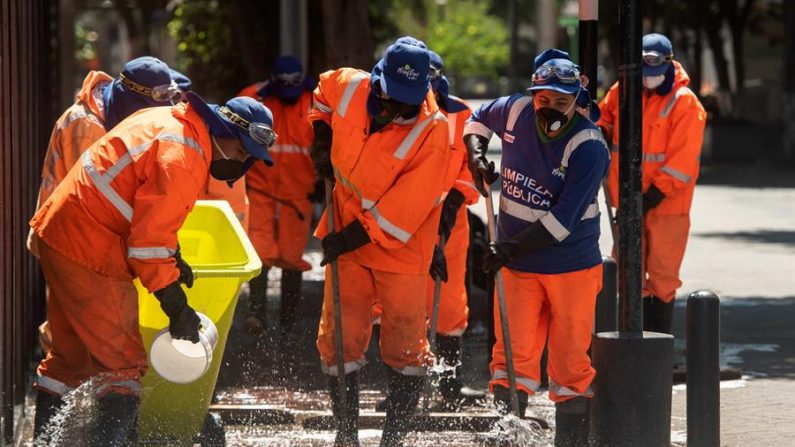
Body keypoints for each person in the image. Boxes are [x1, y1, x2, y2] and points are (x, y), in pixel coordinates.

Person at [29, 92, 276, 445]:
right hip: (90, 249)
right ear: (224, 132)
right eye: (241, 153)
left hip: (64, 235)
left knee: (68, 361)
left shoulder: (171, 122)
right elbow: (147, 247)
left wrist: (172, 257)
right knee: (124, 370)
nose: (241, 163)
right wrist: (176, 306)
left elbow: (141, 207)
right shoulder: (185, 156)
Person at [464, 49, 609, 446]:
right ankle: (507, 437)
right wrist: (476, 159)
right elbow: (475, 120)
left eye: (560, 102)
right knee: (512, 356)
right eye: (543, 100)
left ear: (577, 100)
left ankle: (571, 442)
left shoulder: (589, 146)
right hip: (518, 266)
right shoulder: (514, 111)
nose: (549, 109)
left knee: (570, 365)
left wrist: (508, 249)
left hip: (571, 267)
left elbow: (562, 222)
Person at [309, 39, 450, 446]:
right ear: (377, 78)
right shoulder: (350, 85)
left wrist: (348, 238)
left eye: (409, 102)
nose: (400, 110)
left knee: (406, 346)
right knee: (339, 337)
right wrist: (320, 134)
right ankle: (346, 434)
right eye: (393, 98)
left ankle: (393, 440)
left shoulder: (432, 129)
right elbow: (321, 94)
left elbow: (404, 210)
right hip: (346, 235)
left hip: (400, 249)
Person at [30, 57, 188, 354]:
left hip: (78, 239)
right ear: (133, 99)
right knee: (104, 340)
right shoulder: (87, 126)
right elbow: (96, 200)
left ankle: (63, 386)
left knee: (74, 337)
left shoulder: (107, 114)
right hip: (72, 239)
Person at [597, 33, 706, 334]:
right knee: (628, 274)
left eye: (655, 73)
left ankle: (660, 350)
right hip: (628, 201)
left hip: (667, 206)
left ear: (669, 65)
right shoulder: (624, 91)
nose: (649, 79)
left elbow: (682, 162)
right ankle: (635, 340)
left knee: (662, 277)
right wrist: (601, 132)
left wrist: (653, 196)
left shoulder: (685, 104)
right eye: (645, 73)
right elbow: (603, 117)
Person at [239, 55, 318, 337]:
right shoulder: (254, 99)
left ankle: (288, 324)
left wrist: (322, 181)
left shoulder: (315, 102)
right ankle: (256, 313)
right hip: (260, 189)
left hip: (299, 194)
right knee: (259, 251)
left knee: (291, 256)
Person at [424, 50, 485, 409]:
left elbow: (469, 166)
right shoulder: (403, 111)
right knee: (403, 302)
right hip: (407, 223)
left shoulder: (461, 113)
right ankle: (405, 387)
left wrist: (454, 201)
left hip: (452, 222)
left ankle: (449, 385)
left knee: (449, 305)